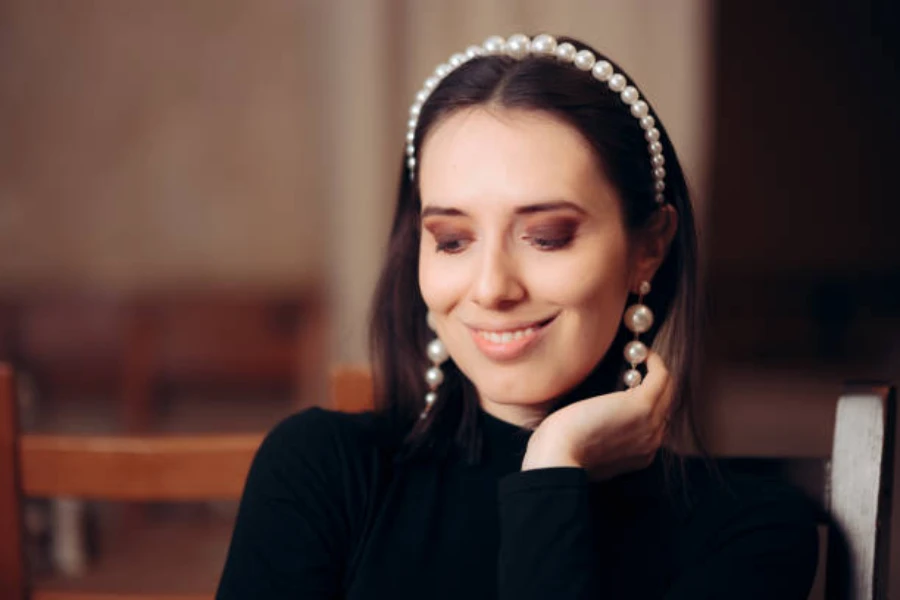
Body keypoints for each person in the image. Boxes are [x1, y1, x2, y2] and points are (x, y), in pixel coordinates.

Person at [216, 34, 818, 599]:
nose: (490, 287)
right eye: (452, 240)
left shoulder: (753, 532)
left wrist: (554, 464)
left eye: (548, 236)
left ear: (649, 246)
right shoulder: (320, 470)